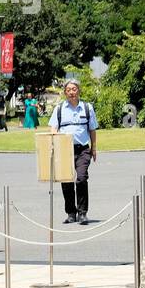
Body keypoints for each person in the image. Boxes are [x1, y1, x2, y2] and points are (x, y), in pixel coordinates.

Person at [48, 80, 98, 225]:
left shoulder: (87, 108)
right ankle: (71, 213)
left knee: (81, 178)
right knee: (67, 181)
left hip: (83, 149)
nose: (71, 92)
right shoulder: (59, 109)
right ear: (65, 92)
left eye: (74, 89)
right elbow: (53, 129)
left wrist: (94, 148)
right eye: (68, 89)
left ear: (79, 91)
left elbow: (92, 130)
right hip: (64, 149)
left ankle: (83, 213)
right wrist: (54, 143)